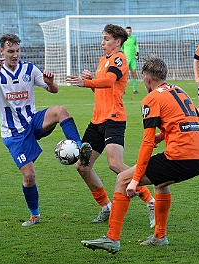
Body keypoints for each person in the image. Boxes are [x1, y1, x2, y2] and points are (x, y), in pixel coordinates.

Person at [81, 55, 199, 254]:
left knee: (123, 179)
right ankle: (159, 236)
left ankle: (112, 238)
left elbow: (147, 143)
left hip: (180, 157)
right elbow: (187, 122)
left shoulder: (151, 98)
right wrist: (163, 136)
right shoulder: (180, 91)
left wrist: (135, 180)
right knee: (161, 183)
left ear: (147, 80)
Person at [0, 34, 92, 227]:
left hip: (33, 121)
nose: (15, 55)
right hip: (13, 134)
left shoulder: (29, 69)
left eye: (17, 51)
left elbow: (54, 90)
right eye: (11, 51)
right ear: (1, 51)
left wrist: (50, 82)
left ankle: (79, 148)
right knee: (29, 176)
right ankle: (34, 215)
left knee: (60, 110)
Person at [66, 24, 155, 227]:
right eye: (103, 38)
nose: (102, 42)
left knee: (115, 165)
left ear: (118, 41)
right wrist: (90, 82)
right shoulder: (102, 61)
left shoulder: (119, 59)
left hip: (114, 119)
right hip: (97, 120)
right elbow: (101, 90)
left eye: (106, 39)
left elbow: (108, 81)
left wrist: (86, 82)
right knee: (82, 166)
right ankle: (106, 207)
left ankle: (151, 202)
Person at [121, 26, 140, 94]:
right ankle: (122, 90)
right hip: (126, 59)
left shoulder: (133, 38)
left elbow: (136, 45)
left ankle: (135, 90)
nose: (128, 32)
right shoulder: (123, 39)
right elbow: (122, 48)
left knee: (134, 73)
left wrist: (137, 53)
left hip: (133, 59)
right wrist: (123, 55)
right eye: (127, 31)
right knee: (124, 74)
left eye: (130, 31)